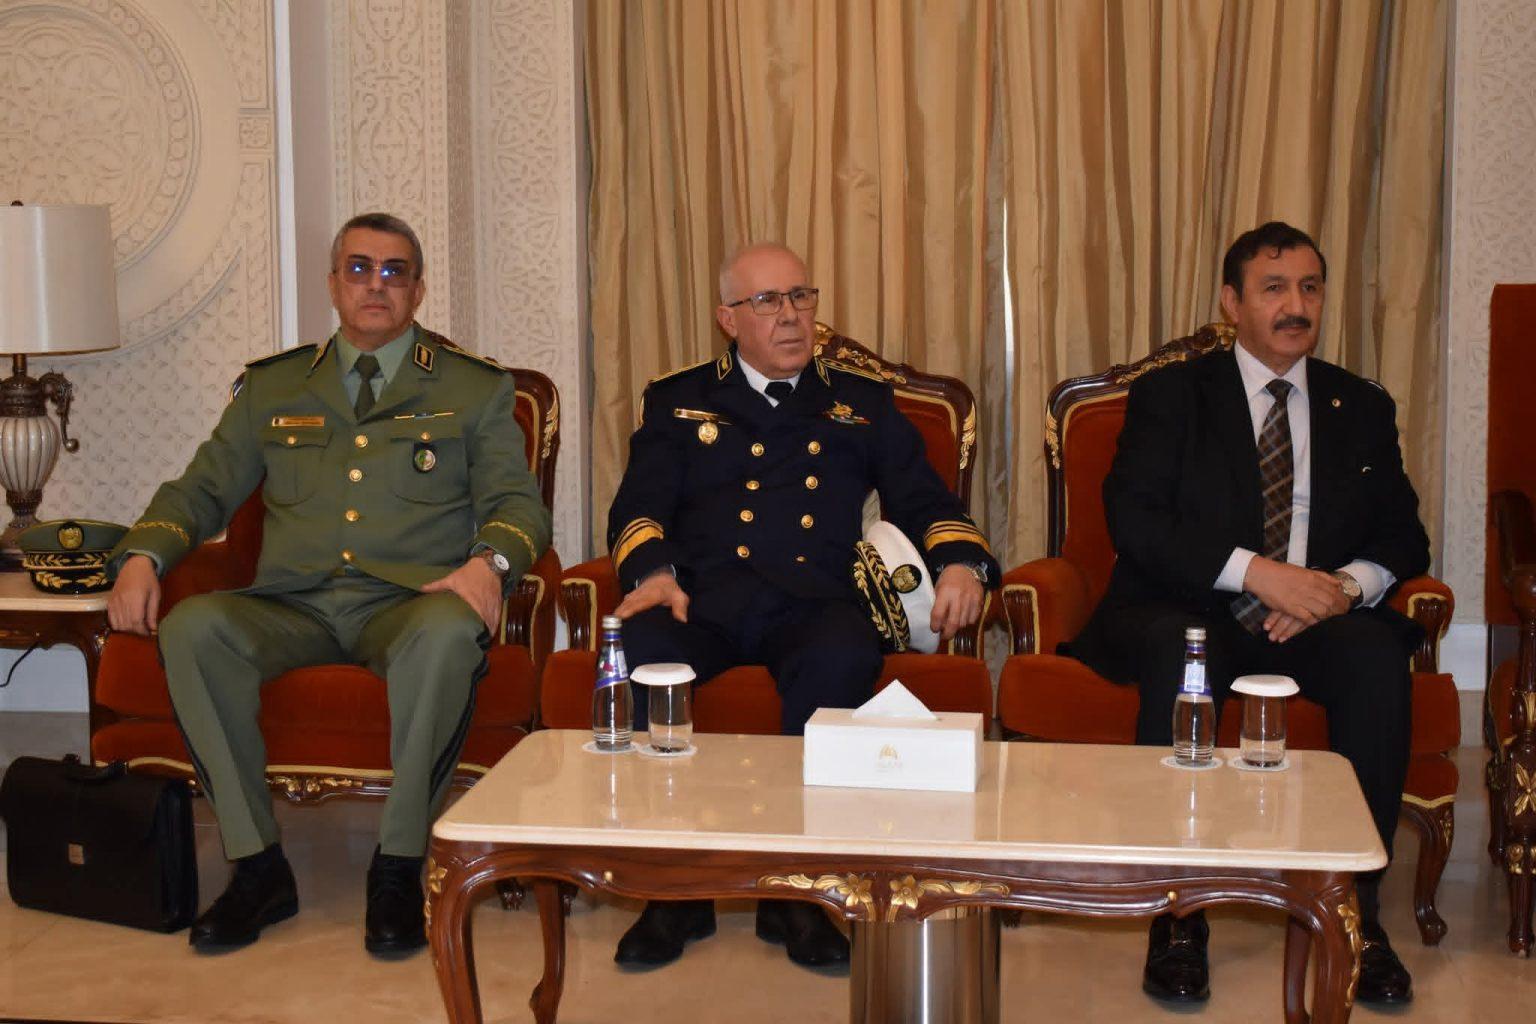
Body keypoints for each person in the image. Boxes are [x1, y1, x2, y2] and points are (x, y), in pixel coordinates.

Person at [105, 212, 552, 956]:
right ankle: (257, 868)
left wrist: (490, 565)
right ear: (334, 283)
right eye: (359, 268)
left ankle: (398, 866)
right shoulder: (274, 386)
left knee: (449, 633)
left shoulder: (472, 389)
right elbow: (202, 490)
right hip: (294, 605)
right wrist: (142, 555)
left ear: (417, 289)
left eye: (394, 271)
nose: (376, 284)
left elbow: (518, 506)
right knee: (193, 628)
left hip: (409, 606)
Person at [605, 242, 1000, 970]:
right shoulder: (679, 399)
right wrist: (653, 573)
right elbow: (639, 505)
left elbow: (923, 498)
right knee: (648, 651)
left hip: (811, 601)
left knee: (841, 654)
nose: (790, 315)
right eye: (767, 301)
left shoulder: (860, 402)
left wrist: (959, 561)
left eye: (801, 296)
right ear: (728, 319)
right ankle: (674, 888)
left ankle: (798, 891)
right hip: (701, 598)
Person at [1071, 221, 1428, 1006]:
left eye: (1309, 287)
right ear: (1232, 303)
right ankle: (1178, 915)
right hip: (1192, 606)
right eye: (1273, 288)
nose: (1295, 305)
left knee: (1375, 657)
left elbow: (1405, 536)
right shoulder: (1173, 396)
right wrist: (1263, 575)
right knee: (1182, 650)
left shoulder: (1362, 405)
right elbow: (1137, 521)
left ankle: (1358, 916)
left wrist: (1336, 589)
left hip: (1315, 619)